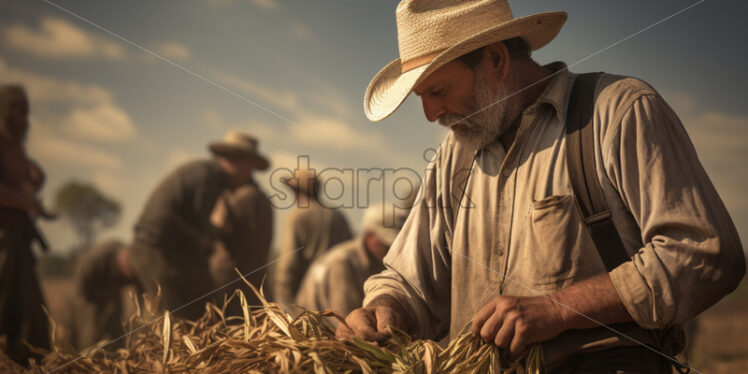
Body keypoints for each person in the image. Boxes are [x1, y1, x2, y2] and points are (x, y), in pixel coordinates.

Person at [336, 1, 746, 372]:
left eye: (438, 90)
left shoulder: (619, 112)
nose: (430, 114)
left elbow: (704, 252)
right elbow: (409, 281)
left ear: (495, 58)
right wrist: (383, 309)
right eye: (421, 97)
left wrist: (558, 310)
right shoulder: (454, 158)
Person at [129, 131, 270, 320]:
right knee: (176, 316)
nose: (249, 174)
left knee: (195, 309)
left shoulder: (210, 177)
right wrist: (208, 239)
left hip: (161, 249)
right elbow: (186, 226)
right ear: (235, 161)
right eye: (248, 166)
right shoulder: (207, 178)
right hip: (157, 251)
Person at [0, 85, 54, 365]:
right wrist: (27, 202)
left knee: (32, 319)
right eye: (18, 110)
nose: (24, 118)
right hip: (3, 240)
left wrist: (35, 183)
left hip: (20, 241)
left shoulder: (16, 149)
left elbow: (31, 179)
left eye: (25, 112)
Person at [295, 203, 409, 321]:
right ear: (369, 236)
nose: (391, 250)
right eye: (386, 245)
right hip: (317, 333)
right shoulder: (342, 263)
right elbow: (346, 321)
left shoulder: (379, 261)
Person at [274, 167, 353, 311]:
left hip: (306, 301)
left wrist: (284, 308)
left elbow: (287, 266)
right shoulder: (339, 217)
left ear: (296, 191)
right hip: (339, 299)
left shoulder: (297, 217)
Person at [65, 239, 138, 351]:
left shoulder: (134, 264)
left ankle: (117, 353)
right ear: (121, 262)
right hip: (89, 293)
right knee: (90, 327)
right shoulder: (93, 260)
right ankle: (88, 355)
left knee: (116, 325)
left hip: (111, 291)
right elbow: (83, 294)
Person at [209, 183, 273, 308]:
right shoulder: (262, 198)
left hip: (228, 283)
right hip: (257, 283)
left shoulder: (235, 198)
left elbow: (218, 227)